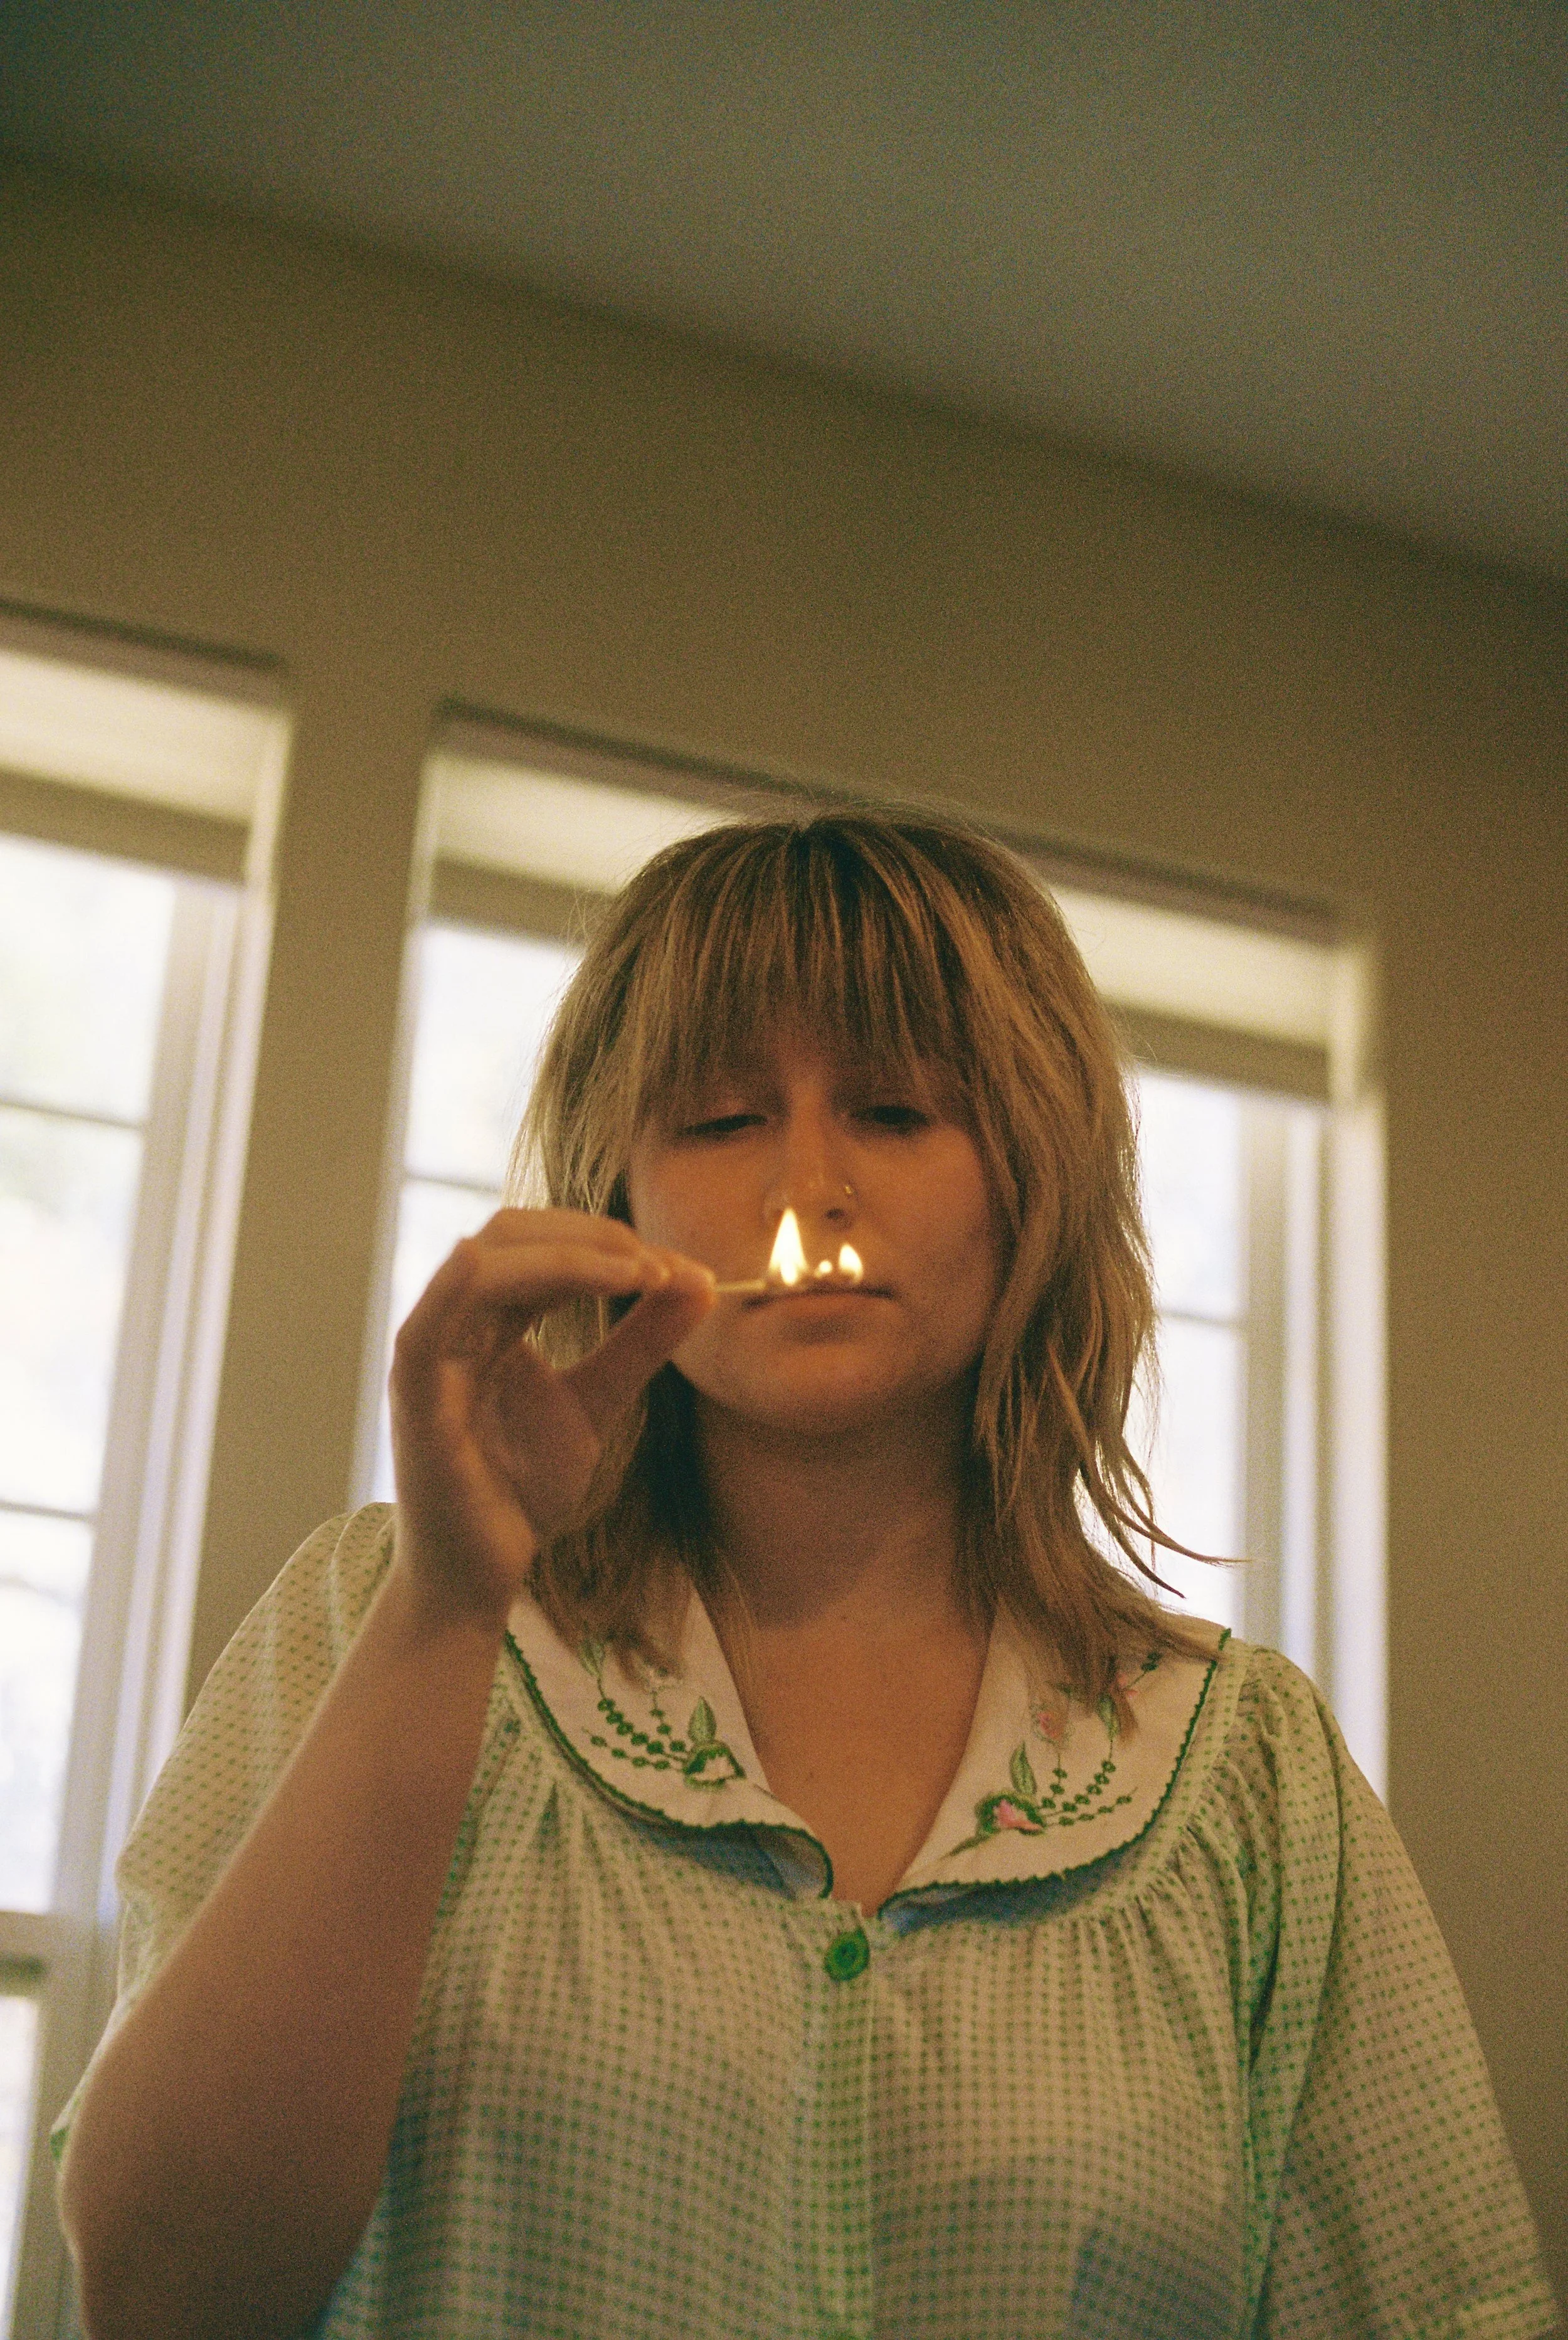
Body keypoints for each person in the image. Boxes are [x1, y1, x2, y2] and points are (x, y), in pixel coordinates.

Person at [55, 812, 1555, 2340]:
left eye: (897, 1109)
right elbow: (162, 2292)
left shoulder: (1248, 1775)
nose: (811, 1182)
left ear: (1031, 1181)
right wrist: (448, 1605)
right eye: (718, 1119)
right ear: (618, 1196)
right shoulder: (382, 1613)